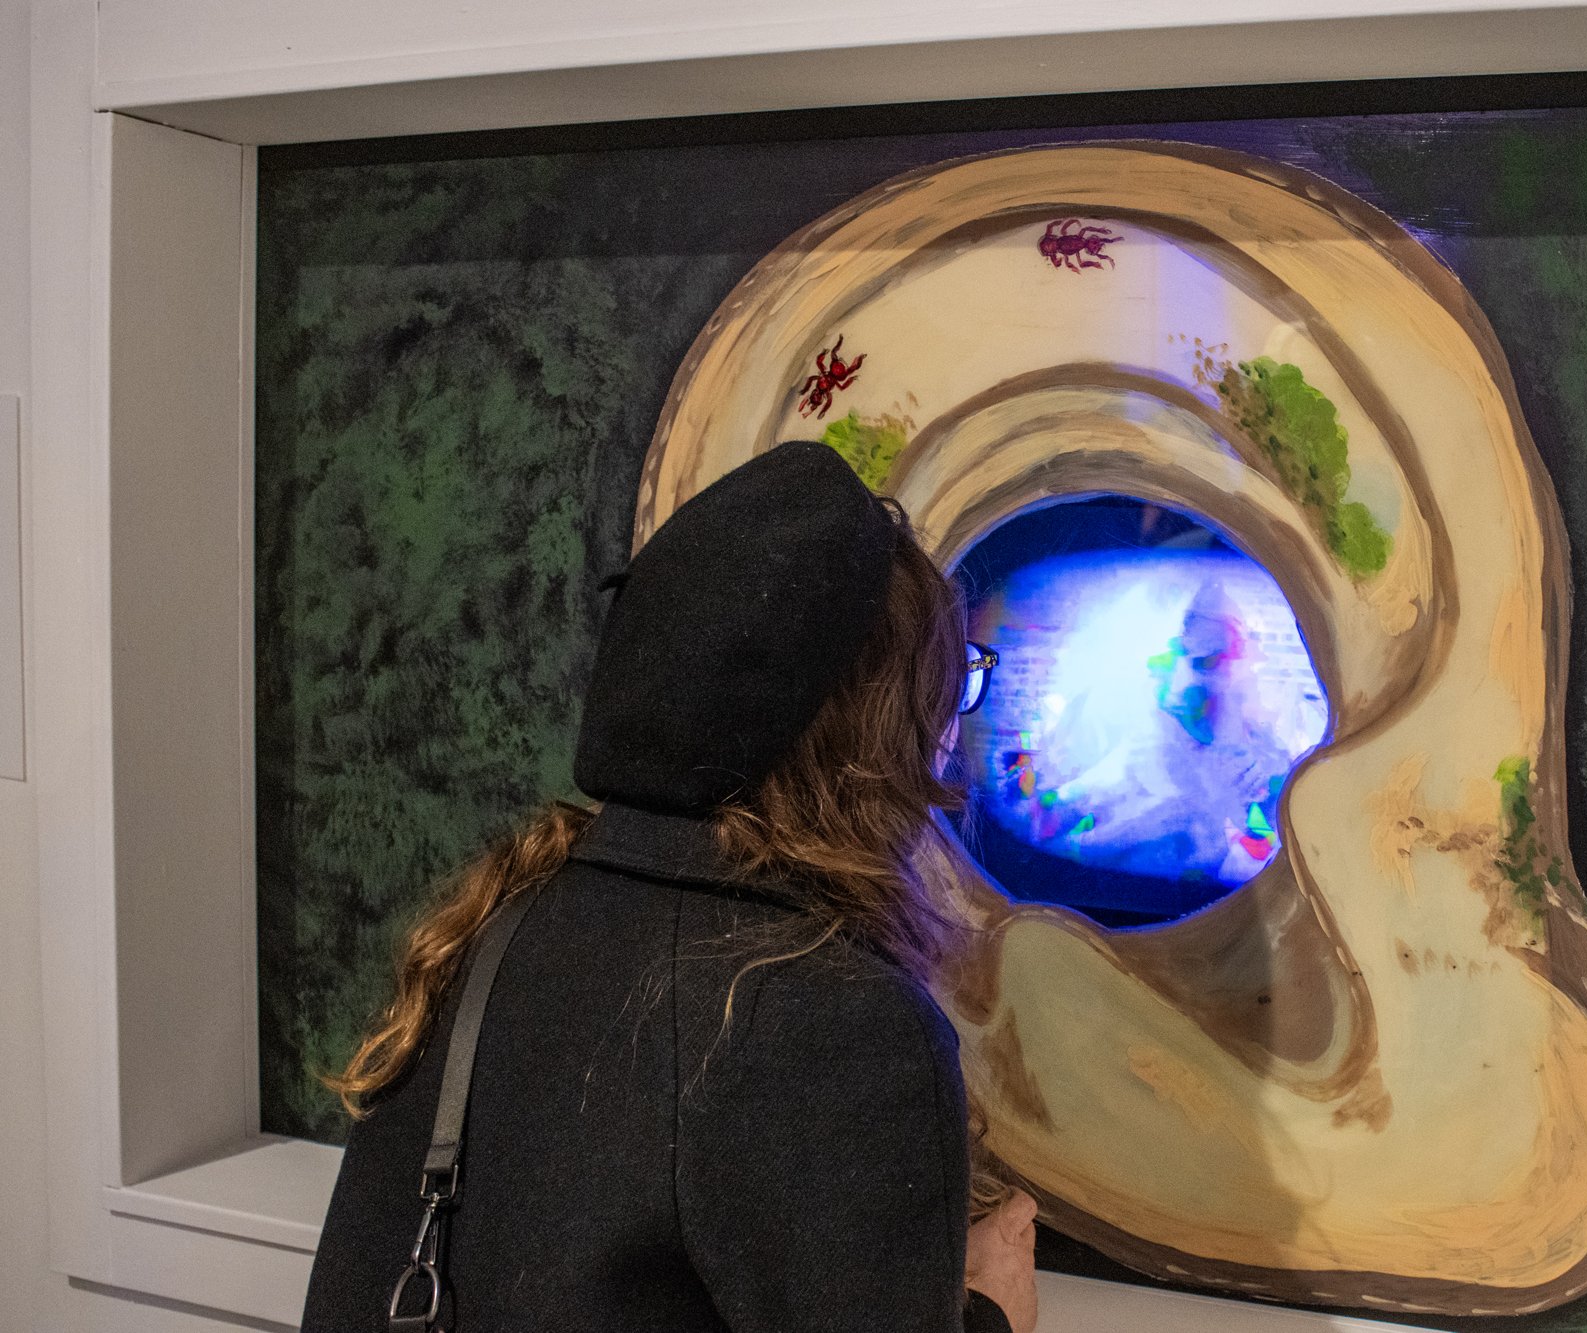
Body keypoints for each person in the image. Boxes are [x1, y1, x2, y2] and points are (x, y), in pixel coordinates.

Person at [301, 441, 1038, 1332]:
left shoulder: (491, 930)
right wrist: (992, 1314)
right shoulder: (842, 1027)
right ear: (875, 736)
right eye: (947, 688)